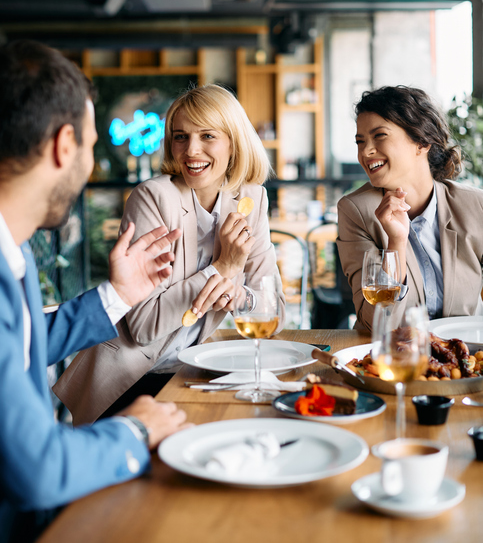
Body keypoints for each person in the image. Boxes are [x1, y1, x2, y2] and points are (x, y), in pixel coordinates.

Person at [0, 40, 192, 543]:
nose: (90, 164)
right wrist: (134, 429)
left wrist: (117, 294)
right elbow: (37, 471)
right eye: (89, 147)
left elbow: (17, 339)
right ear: (65, 146)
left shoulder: (11, 252)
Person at [54, 83, 285, 424]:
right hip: (132, 379)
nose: (191, 150)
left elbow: (276, 310)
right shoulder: (153, 198)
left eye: (208, 136)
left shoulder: (252, 199)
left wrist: (243, 298)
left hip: (200, 370)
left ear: (234, 142)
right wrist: (223, 268)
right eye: (180, 136)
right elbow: (144, 327)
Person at [337, 85, 483, 332]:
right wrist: (396, 243)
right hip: (392, 359)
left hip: (465, 358)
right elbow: (376, 322)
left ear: (422, 142)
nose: (366, 151)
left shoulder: (474, 205)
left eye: (379, 136)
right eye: (360, 141)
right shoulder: (356, 211)